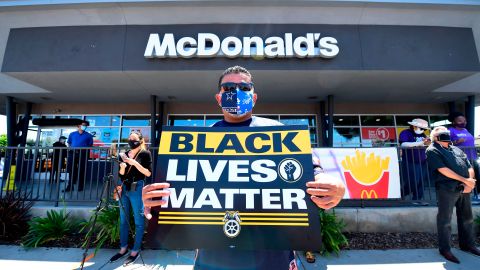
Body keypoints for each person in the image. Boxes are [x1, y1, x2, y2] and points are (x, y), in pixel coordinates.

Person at [142, 66, 346, 269]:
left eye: (243, 87)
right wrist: (156, 200)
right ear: (219, 98)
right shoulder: (195, 142)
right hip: (213, 261)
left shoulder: (279, 133)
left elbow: (313, 173)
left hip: (273, 260)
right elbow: (175, 191)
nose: (236, 92)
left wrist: (333, 186)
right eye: (228, 87)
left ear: (254, 97)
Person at [425, 126, 480, 264]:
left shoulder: (456, 149)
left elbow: (469, 166)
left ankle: (468, 245)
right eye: (443, 134)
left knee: (467, 218)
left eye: (447, 133)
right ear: (435, 137)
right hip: (446, 188)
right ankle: (445, 249)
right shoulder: (432, 150)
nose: (447, 135)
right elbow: (443, 169)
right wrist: (465, 180)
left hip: (464, 188)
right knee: (445, 221)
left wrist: (469, 183)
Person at [109, 131, 152, 266]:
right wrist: (122, 167)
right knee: (123, 219)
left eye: (133, 139)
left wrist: (134, 163)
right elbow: (122, 175)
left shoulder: (145, 154)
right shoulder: (125, 154)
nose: (131, 141)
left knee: (139, 221)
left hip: (137, 187)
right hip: (125, 188)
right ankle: (123, 248)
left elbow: (148, 173)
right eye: (129, 139)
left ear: (140, 140)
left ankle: (135, 250)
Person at [448, 112, 480, 200]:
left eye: (464, 121)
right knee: (465, 177)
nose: (463, 122)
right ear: (454, 122)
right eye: (460, 121)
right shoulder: (450, 130)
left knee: (476, 176)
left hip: (473, 157)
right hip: (461, 158)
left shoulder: (465, 130)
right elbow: (445, 143)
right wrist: (456, 142)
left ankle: (476, 195)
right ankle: (464, 196)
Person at [398, 118, 431, 201]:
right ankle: (401, 193)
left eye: (424, 129)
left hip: (423, 161)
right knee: (413, 182)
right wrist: (421, 143)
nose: (422, 130)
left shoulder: (423, 135)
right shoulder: (405, 133)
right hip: (410, 160)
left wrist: (428, 143)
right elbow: (404, 144)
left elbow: (427, 145)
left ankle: (417, 199)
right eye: (421, 128)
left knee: (421, 182)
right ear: (413, 126)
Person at [64, 120, 93, 192]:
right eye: (83, 125)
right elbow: (69, 143)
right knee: (71, 170)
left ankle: (80, 186)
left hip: (83, 154)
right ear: (78, 126)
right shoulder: (72, 134)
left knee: (81, 170)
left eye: (85, 125)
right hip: (72, 153)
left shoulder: (89, 135)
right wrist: (70, 149)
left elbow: (90, 145)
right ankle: (70, 186)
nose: (84, 127)